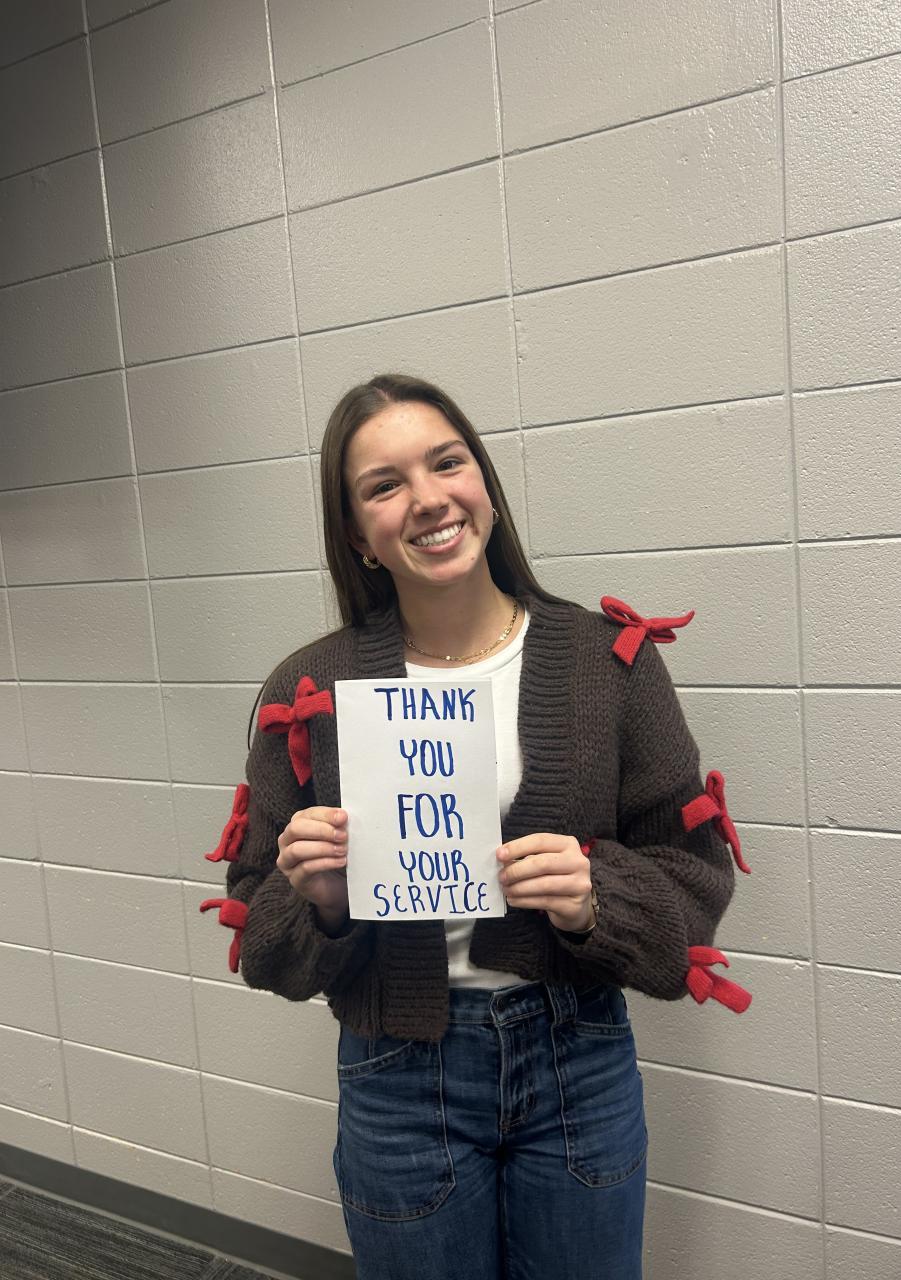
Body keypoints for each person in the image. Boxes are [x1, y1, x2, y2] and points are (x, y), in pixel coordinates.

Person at [200, 373, 752, 1280]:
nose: (427, 498)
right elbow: (264, 943)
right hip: (397, 1076)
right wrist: (324, 903)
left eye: (447, 463)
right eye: (385, 485)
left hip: (577, 1057)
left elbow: (695, 881)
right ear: (357, 535)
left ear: (485, 484)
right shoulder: (310, 692)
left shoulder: (608, 663)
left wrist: (597, 897)